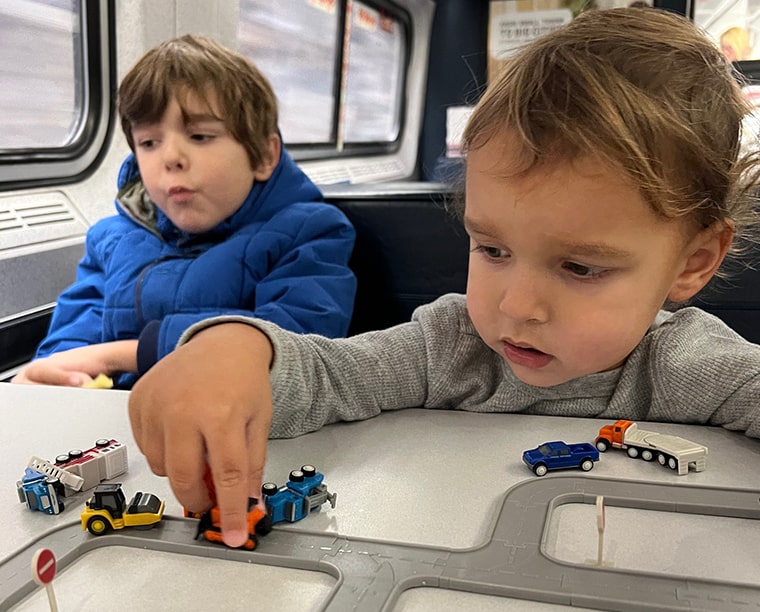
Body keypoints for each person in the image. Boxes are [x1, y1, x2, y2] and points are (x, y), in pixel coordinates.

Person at [128, 8, 760, 547]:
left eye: (579, 266)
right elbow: (327, 376)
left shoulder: (689, 364)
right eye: (491, 248)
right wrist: (238, 348)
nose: (516, 305)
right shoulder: (449, 346)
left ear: (693, 262)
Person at [11, 35, 357, 388]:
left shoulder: (310, 231)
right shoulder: (111, 239)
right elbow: (72, 340)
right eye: (149, 143)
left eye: (200, 136)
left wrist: (117, 356)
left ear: (264, 156)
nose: (170, 158)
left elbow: (292, 352)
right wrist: (60, 378)